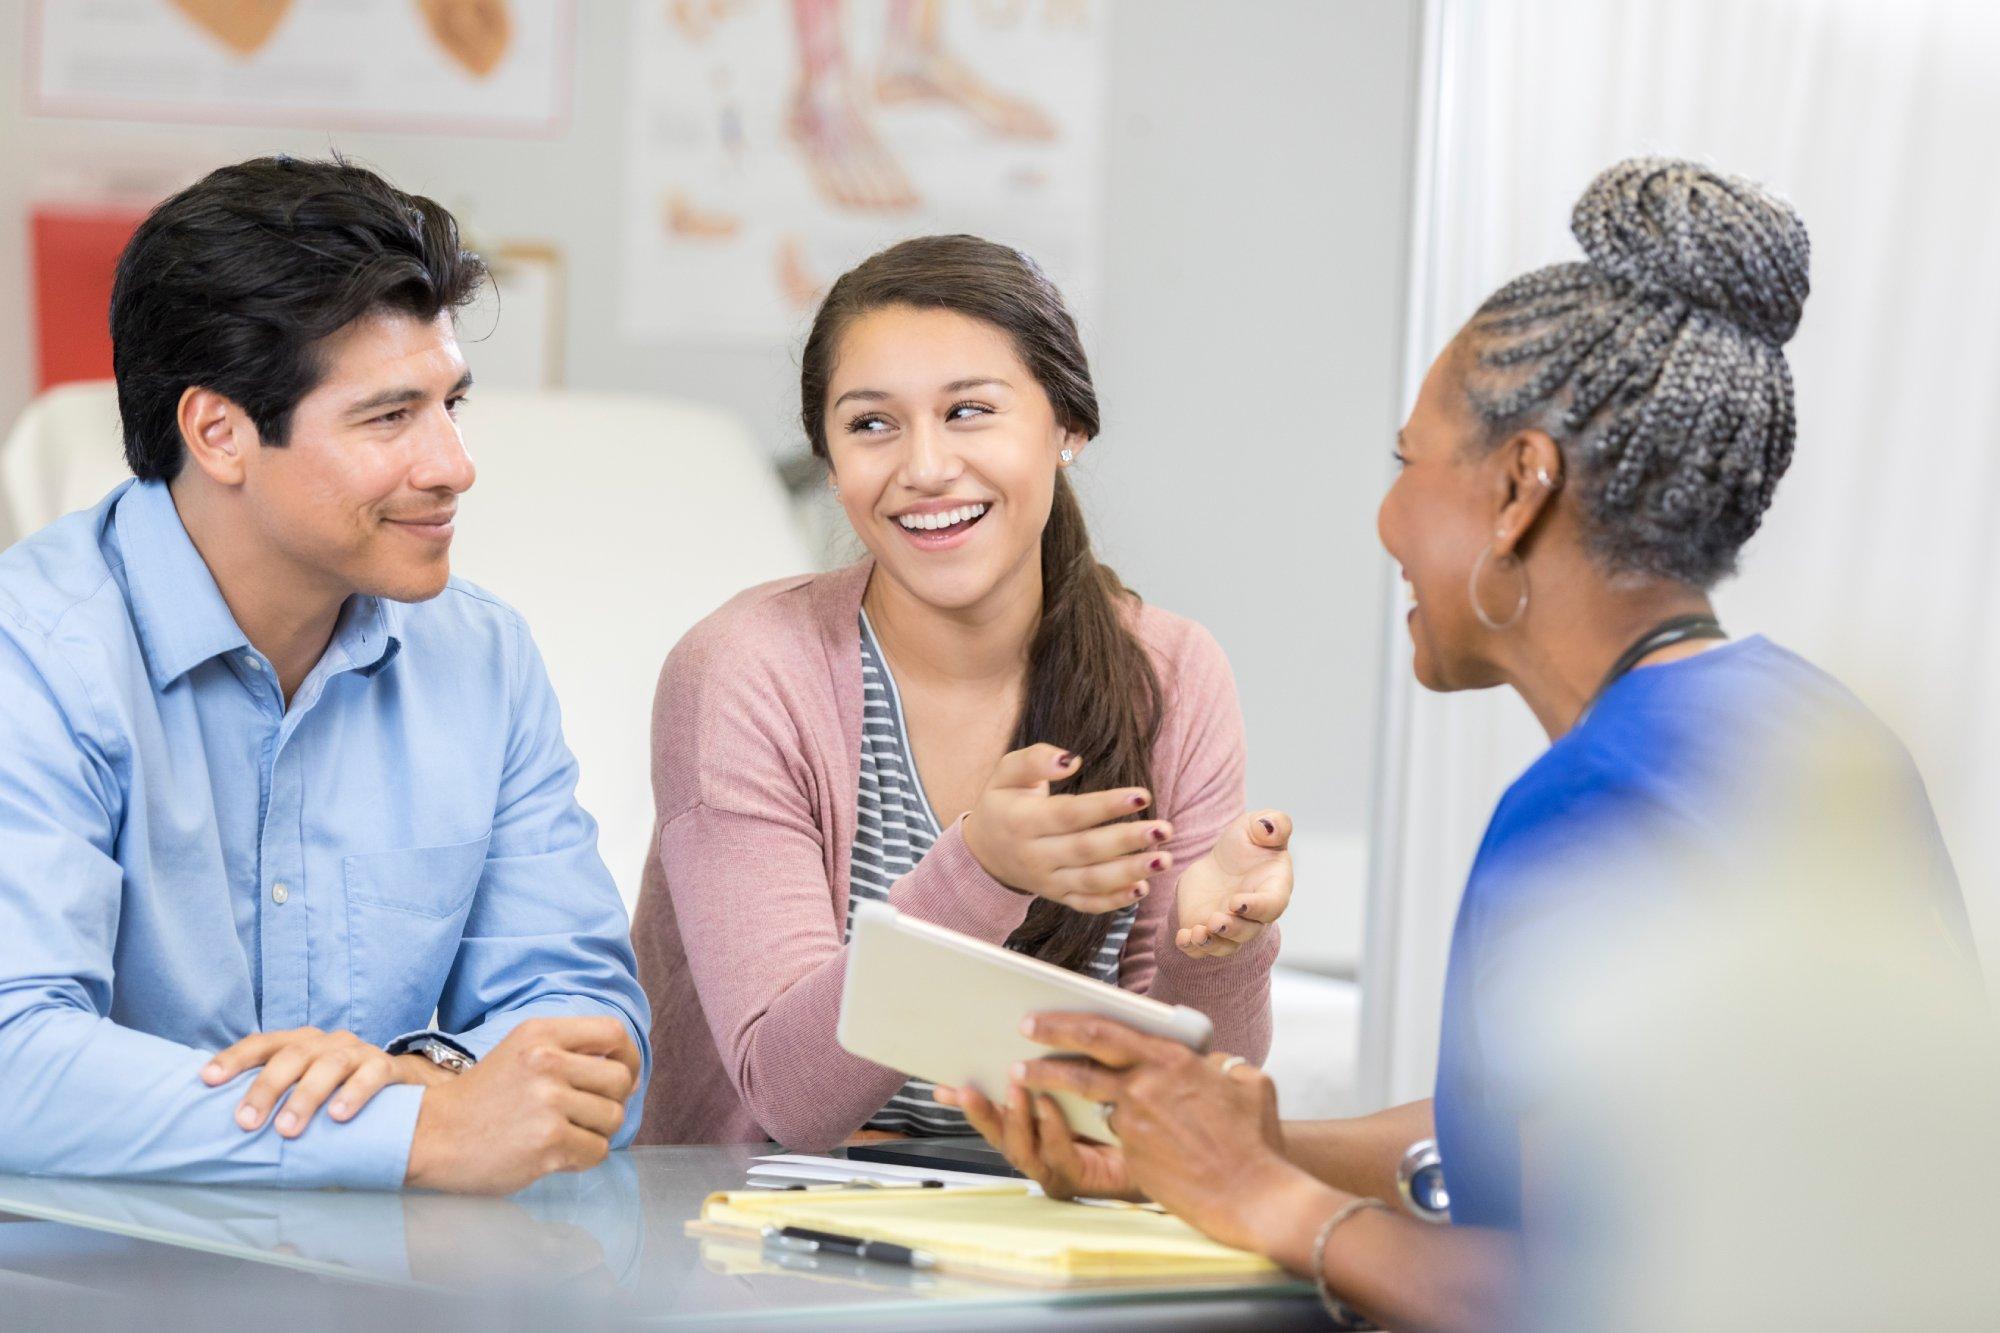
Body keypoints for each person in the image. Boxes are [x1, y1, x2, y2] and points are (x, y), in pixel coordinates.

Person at [940, 158, 1974, 1328]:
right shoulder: (1813, 727)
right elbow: (1591, 1144)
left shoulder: (1592, 802)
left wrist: (1267, 1200)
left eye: (1407, 461)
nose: (1386, 517)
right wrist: (1196, 1151)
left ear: (1517, 487)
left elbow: (1601, 1296)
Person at [0, 157, 651, 1193]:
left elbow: (592, 1033)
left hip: (402, 1281)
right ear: (219, 433)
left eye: (452, 404)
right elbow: (15, 1061)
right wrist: (411, 1132)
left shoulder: (482, 657)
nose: (452, 464)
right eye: (390, 417)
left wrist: (425, 1076)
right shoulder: (33, 651)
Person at [631, 234, 1294, 1148]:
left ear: (1068, 426)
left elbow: (1179, 1114)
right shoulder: (745, 669)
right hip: (763, 1228)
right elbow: (789, 1097)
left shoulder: (1173, 673)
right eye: (871, 424)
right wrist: (980, 872)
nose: (926, 467)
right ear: (829, 458)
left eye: (970, 411)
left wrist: (1216, 946)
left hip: (1058, 1222)